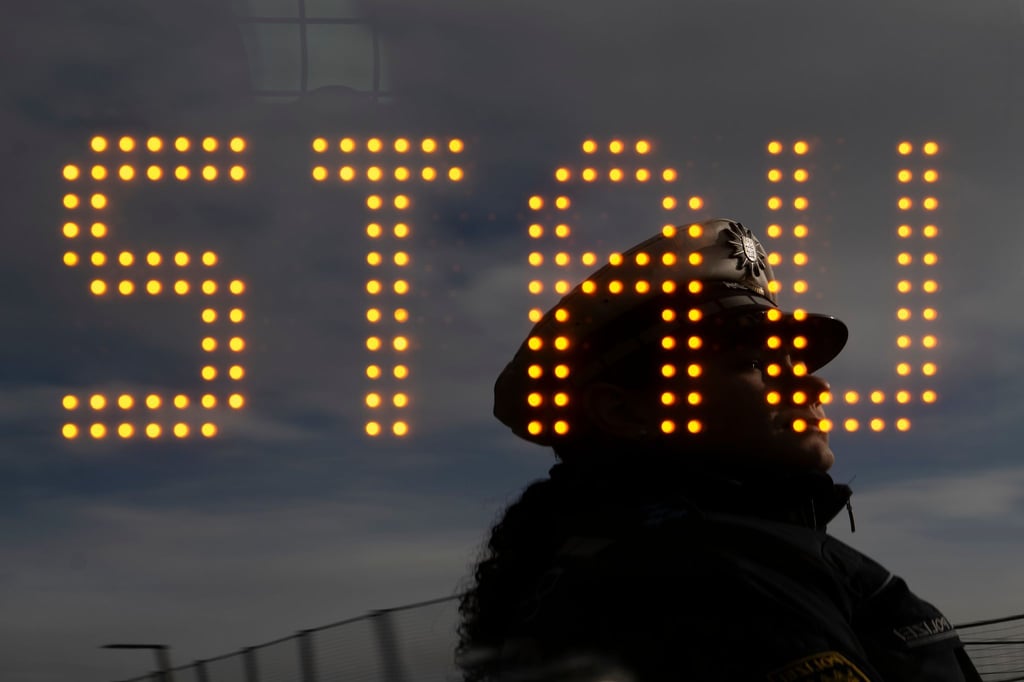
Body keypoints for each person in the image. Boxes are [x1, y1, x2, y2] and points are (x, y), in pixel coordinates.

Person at [457, 218, 982, 681]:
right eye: (753, 364)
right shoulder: (706, 580)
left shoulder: (600, 562)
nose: (813, 388)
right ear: (624, 411)